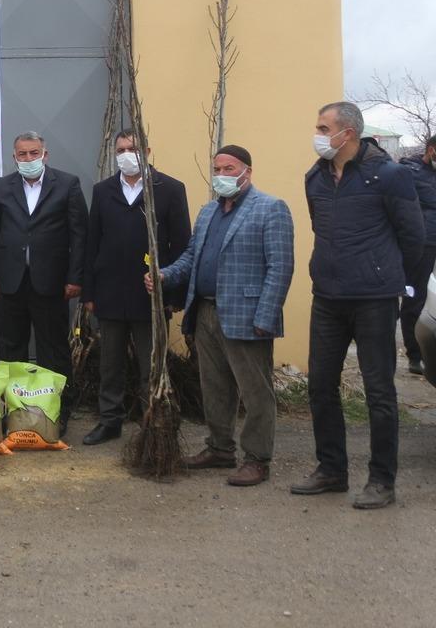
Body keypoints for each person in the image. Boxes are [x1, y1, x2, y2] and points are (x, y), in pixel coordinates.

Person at [292, 102, 424, 509]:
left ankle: (382, 480)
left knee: (379, 391)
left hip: (374, 299)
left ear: (346, 133)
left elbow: (414, 237)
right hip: (328, 297)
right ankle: (331, 470)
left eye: (322, 127)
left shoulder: (390, 175)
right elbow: (322, 228)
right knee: (320, 387)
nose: (316, 134)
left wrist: (388, 277)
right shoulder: (315, 178)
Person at [149, 145, 294, 487]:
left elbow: (280, 266)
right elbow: (191, 256)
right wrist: (165, 274)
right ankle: (219, 448)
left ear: (247, 171)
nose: (222, 175)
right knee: (214, 386)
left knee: (255, 390)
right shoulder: (208, 212)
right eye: (218, 169)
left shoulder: (270, 209)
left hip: (248, 314)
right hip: (206, 311)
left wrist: (267, 315)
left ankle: (257, 459)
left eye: (229, 169)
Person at [81, 130, 191, 445]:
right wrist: (89, 293)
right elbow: (93, 243)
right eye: (121, 149)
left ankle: (153, 421)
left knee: (151, 363)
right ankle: (109, 420)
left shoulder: (168, 189)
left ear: (147, 150)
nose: (126, 154)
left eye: (132, 148)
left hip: (150, 296)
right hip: (110, 291)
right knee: (110, 363)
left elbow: (182, 244)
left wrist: (173, 294)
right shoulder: (103, 191)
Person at [0, 131, 87, 435]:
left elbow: (80, 235)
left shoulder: (67, 184)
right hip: (9, 284)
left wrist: (75, 277)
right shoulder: (2, 187)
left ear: (45, 155)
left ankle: (57, 412)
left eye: (34, 153)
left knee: (53, 350)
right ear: (14, 158)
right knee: (11, 349)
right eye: (22, 155)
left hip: (51, 283)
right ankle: (18, 411)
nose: (28, 159)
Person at [397, 136, 436, 376]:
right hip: (423, 244)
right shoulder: (409, 172)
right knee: (415, 297)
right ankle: (415, 356)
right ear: (431, 151)